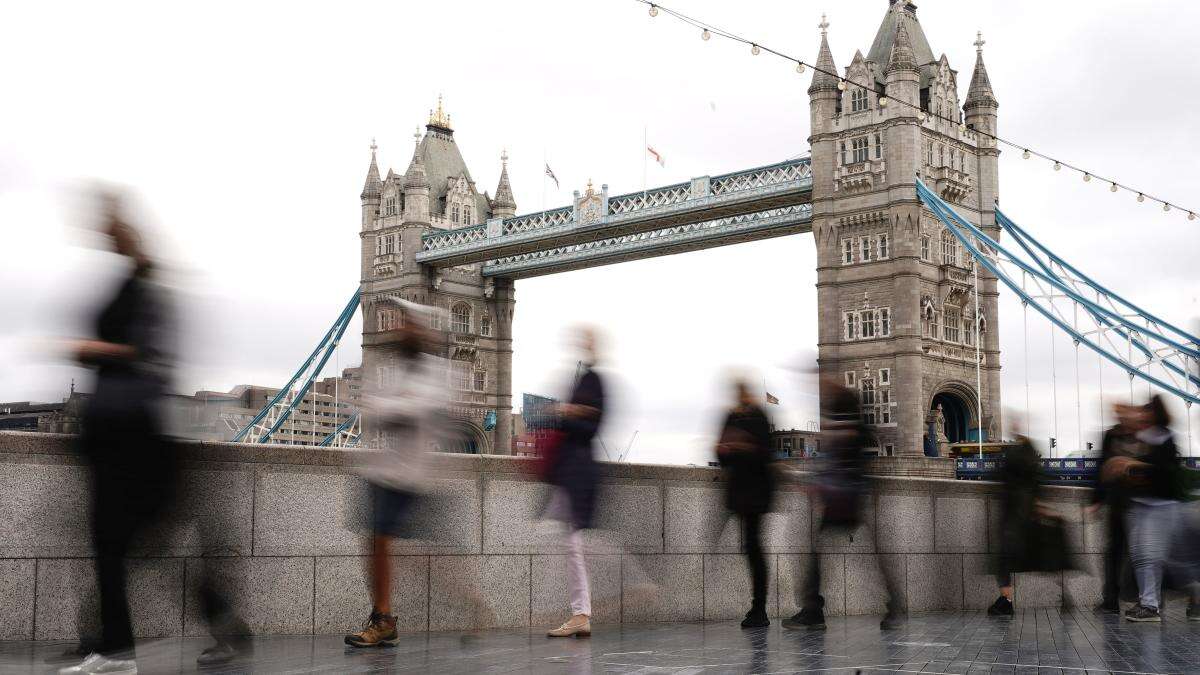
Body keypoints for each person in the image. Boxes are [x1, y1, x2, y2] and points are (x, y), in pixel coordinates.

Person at [60, 192, 179, 675]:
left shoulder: (145, 286)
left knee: (118, 543)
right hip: (119, 430)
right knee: (116, 544)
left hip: (130, 432)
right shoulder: (133, 281)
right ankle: (111, 647)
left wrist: (93, 348)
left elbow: (146, 353)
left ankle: (115, 651)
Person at [344, 301, 447, 647]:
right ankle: (383, 615)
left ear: (422, 331)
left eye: (408, 324)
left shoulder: (433, 371)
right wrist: (389, 405)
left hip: (412, 477)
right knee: (375, 544)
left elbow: (408, 411)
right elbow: (379, 409)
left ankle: (386, 618)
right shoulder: (399, 369)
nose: (400, 329)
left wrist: (389, 405)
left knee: (396, 548)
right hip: (385, 473)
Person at [783, 374, 903, 631]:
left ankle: (814, 611)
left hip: (845, 497)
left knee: (835, 555)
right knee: (860, 556)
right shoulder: (847, 420)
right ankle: (893, 605)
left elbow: (839, 460)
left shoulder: (844, 421)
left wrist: (819, 483)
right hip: (845, 495)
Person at [544, 327, 606, 638]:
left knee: (573, 544)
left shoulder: (594, 380)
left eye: (586, 340)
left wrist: (567, 411)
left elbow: (590, 426)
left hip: (577, 473)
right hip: (571, 472)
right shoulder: (586, 378)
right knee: (571, 543)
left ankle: (581, 613)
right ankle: (580, 612)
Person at [1118, 396, 1186, 622]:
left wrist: (1132, 464)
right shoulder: (1143, 436)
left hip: (1160, 507)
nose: (1142, 416)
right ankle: (1147, 601)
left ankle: (1151, 605)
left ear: (1155, 414)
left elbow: (1161, 468)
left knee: (1152, 557)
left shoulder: (1165, 437)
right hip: (1141, 505)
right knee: (1140, 556)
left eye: (1146, 413)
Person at [714, 378, 775, 629]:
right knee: (750, 547)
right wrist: (725, 449)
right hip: (738, 491)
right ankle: (757, 608)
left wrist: (739, 446)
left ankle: (759, 608)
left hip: (755, 492)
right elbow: (720, 454)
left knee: (753, 548)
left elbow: (765, 452)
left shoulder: (758, 415)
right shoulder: (730, 416)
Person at [987, 432, 1068, 616]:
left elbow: (998, 476)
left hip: (1014, 519)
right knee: (1040, 560)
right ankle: (1062, 592)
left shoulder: (1014, 462)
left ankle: (1006, 601)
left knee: (1005, 560)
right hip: (1028, 518)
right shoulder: (1032, 465)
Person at [1086, 403, 1141, 613]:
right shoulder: (1111, 435)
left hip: (1137, 504)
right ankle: (1110, 599)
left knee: (1138, 553)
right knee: (1113, 552)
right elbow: (1101, 468)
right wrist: (1096, 500)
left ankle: (1142, 599)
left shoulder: (1141, 436)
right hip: (1116, 503)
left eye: (1122, 413)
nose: (1119, 417)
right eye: (1117, 413)